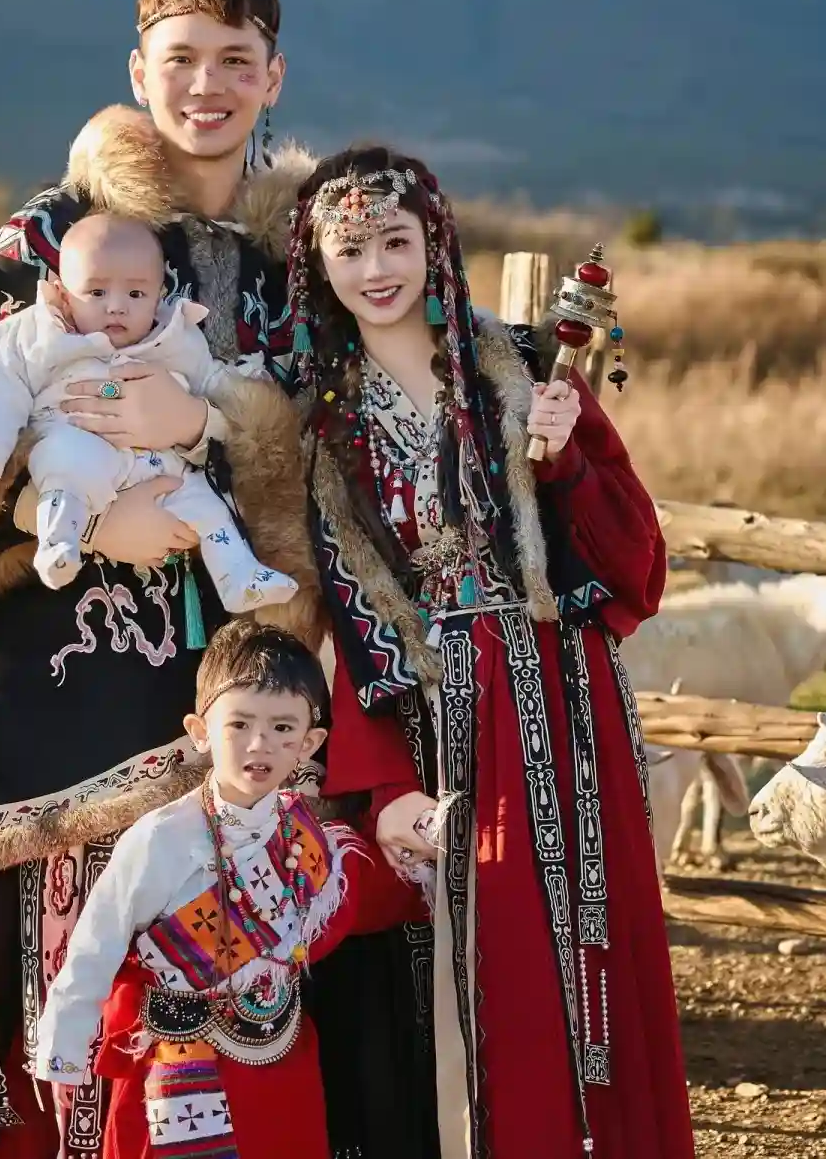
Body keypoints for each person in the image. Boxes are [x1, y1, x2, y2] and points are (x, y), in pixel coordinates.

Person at [0, 0, 323, 1159]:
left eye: (235, 60)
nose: (207, 85)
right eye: (182, 59)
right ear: (137, 70)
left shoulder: (292, 275)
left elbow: (331, 464)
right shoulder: (40, 244)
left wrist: (215, 424)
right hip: (30, 669)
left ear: (273, 76)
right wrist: (41, 507)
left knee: (172, 1036)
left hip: (208, 694)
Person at [288, 147, 696, 1158]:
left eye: (395, 241)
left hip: (566, 701)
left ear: (436, 244)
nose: (376, 269)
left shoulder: (521, 366)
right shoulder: (324, 425)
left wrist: (568, 461)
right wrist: (385, 788)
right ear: (318, 263)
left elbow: (635, 564)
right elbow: (355, 618)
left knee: (593, 961)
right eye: (350, 249)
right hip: (440, 723)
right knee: (483, 978)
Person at [34, 620, 430, 1159]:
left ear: (310, 742)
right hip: (180, 1062)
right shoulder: (160, 838)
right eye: (239, 724)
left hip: (280, 1059)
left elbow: (358, 899)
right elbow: (94, 947)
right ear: (200, 730)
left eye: (283, 728)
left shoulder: (304, 836)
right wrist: (64, 1051)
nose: (259, 745)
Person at [0, 203, 297, 608]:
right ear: (63, 293)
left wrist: (201, 420)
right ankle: (60, 541)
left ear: (159, 295)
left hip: (159, 466)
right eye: (96, 293)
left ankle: (239, 576)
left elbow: (213, 380)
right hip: (76, 441)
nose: (117, 306)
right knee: (68, 465)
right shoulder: (41, 331)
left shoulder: (174, 336)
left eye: (135, 294)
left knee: (208, 507)